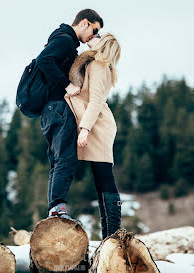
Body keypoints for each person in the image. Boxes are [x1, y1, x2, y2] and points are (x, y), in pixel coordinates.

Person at [36, 9, 104, 219]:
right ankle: (58, 209)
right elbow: (44, 60)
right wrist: (66, 85)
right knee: (66, 157)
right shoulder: (66, 40)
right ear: (84, 23)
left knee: (58, 160)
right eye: (95, 29)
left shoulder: (63, 40)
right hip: (57, 106)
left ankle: (54, 211)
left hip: (49, 109)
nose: (94, 35)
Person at [64, 33, 122, 239]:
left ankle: (113, 234)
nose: (93, 36)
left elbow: (96, 100)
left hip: (97, 125)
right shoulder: (97, 64)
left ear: (103, 44)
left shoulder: (98, 65)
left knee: (104, 176)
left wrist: (85, 129)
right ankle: (111, 235)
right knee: (101, 177)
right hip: (96, 122)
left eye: (99, 36)